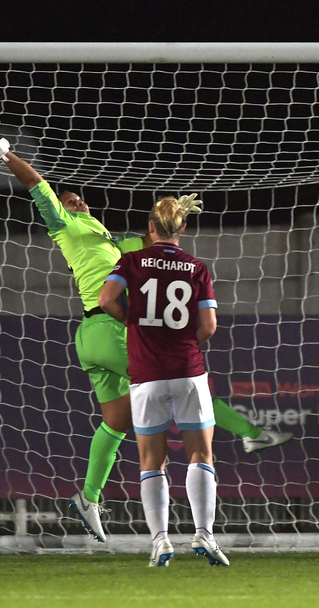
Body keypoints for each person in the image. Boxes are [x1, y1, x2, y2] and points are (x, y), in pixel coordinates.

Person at [0, 113, 291, 543]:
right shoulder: (65, 227)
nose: (77, 202)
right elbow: (38, 186)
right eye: (70, 201)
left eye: (79, 199)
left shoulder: (106, 240)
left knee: (118, 420)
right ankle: (252, 434)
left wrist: (174, 215)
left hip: (90, 336)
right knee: (181, 380)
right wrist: (1, 148)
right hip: (108, 328)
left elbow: (155, 243)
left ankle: (87, 497)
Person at [99, 193, 230, 567]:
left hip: (147, 375)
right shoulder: (196, 268)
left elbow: (106, 298)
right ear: (183, 228)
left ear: (150, 228)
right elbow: (209, 326)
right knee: (201, 454)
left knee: (150, 461)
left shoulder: (133, 260)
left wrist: (132, 323)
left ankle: (160, 542)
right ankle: (204, 535)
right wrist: (184, 341)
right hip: (189, 372)